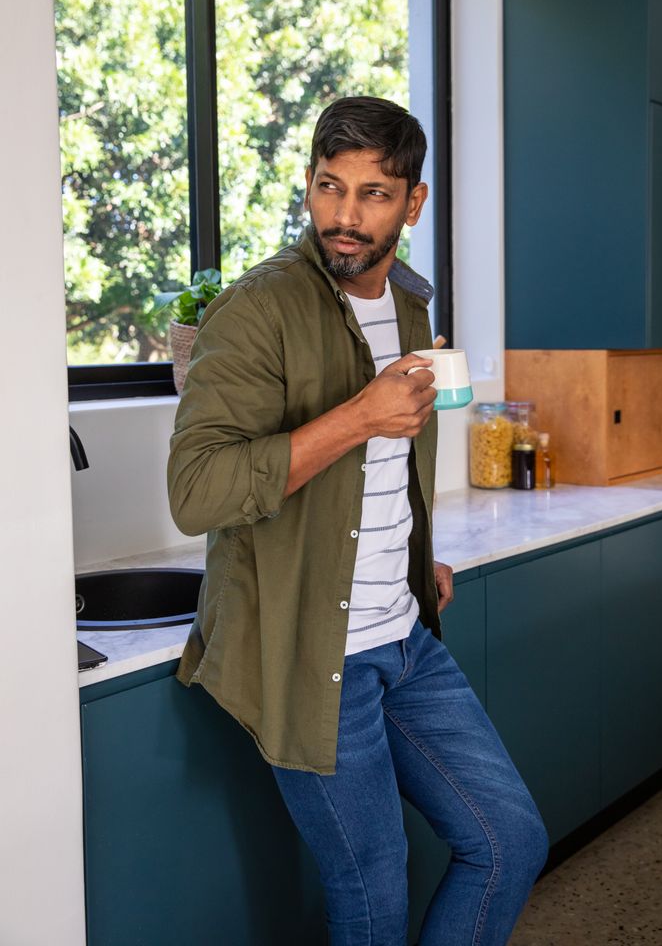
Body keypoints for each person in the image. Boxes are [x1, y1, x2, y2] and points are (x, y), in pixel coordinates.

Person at [167, 96, 548, 945]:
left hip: (405, 635)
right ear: (309, 183)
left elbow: (388, 470)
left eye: (374, 194)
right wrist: (358, 416)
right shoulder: (257, 309)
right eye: (330, 187)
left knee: (510, 842)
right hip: (310, 650)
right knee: (372, 891)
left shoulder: (409, 304)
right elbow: (195, 492)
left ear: (413, 203)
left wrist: (411, 554)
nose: (345, 215)